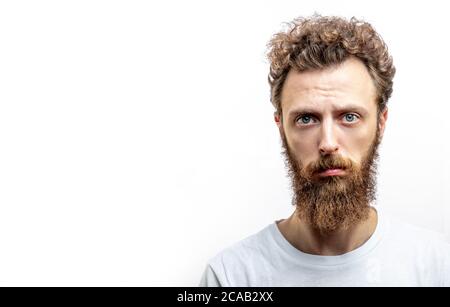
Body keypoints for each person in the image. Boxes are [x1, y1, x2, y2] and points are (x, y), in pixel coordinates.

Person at [199, 15, 450, 287]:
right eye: (306, 119)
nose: (328, 143)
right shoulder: (231, 277)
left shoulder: (437, 267)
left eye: (349, 117)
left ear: (381, 122)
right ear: (281, 127)